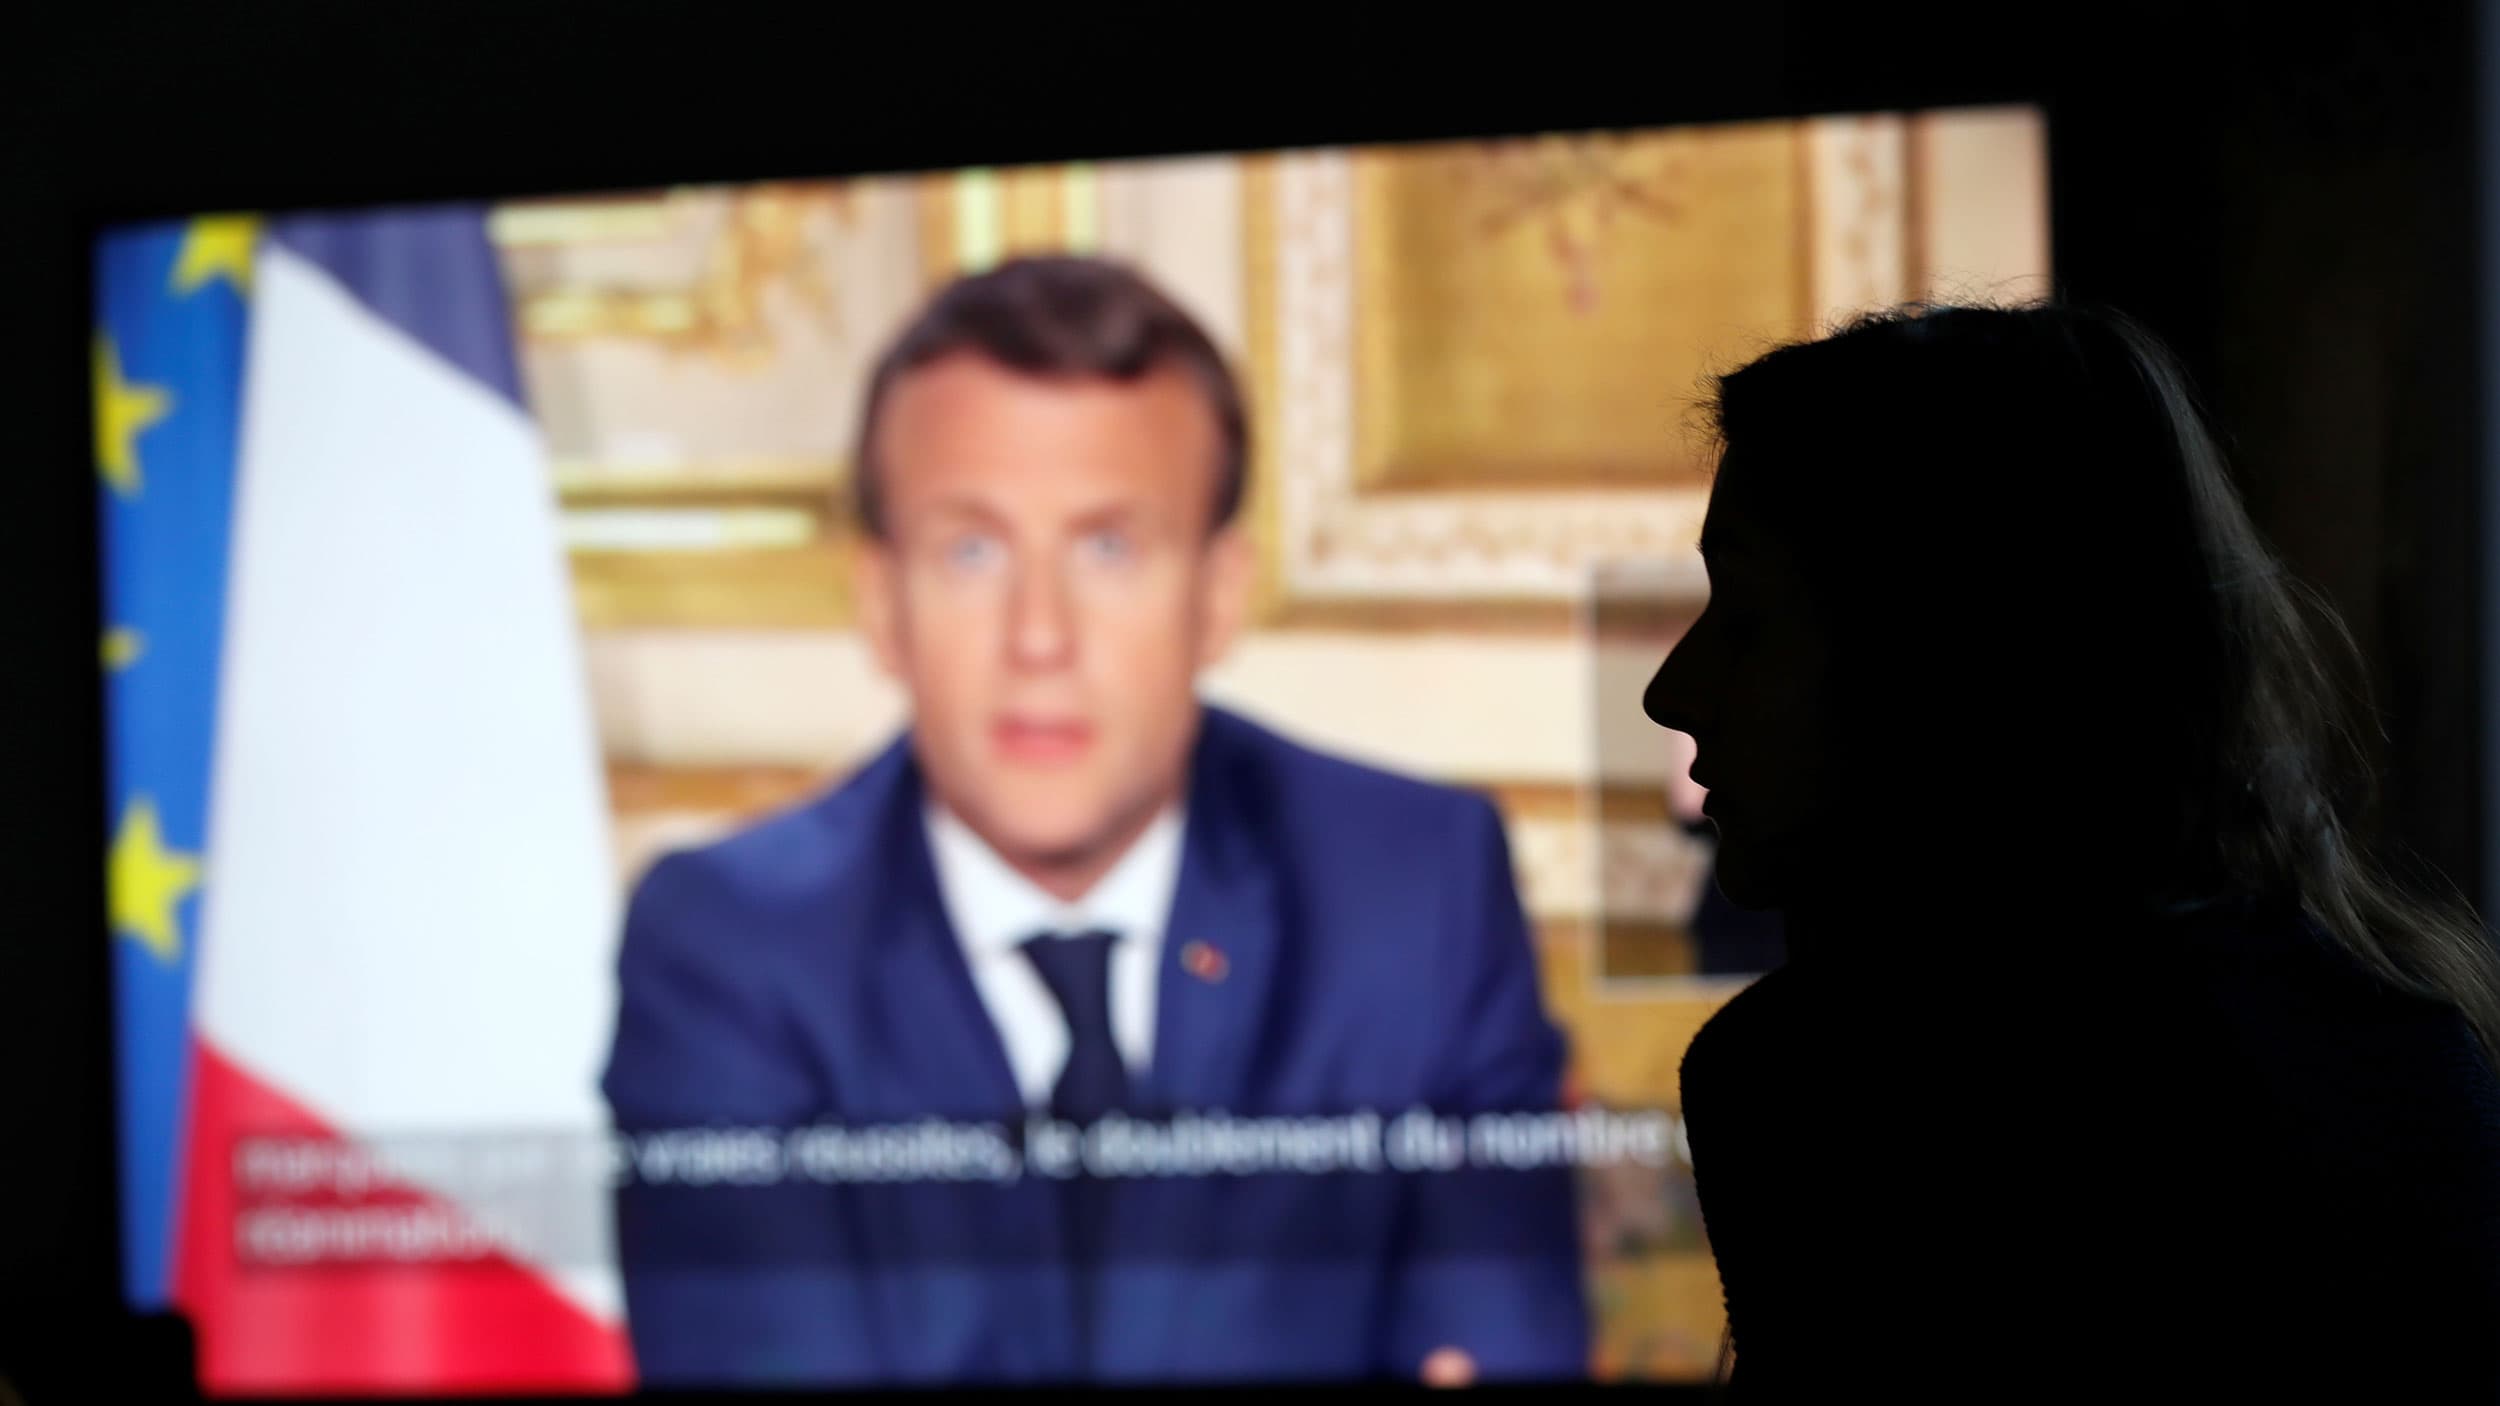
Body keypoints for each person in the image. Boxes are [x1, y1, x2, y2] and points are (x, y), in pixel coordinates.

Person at [599, 255, 1588, 1387]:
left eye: (1109, 548)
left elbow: (1504, 1348)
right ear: (880, 603)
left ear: (1217, 595)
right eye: (971, 550)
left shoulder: (1418, 892)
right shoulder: (727, 948)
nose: (1038, 638)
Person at [1644, 303, 2500, 1400]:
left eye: (1752, 618)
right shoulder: (2402, 1035)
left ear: (1947, 657)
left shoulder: (1826, 1084)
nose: (1671, 689)